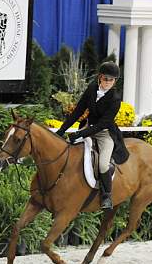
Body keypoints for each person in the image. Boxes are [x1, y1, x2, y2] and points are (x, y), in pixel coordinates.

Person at [55, 61, 129, 209]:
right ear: (100, 77)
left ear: (115, 81)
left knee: (102, 164)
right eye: (106, 78)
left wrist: (80, 134)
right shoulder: (91, 89)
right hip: (88, 127)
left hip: (104, 133)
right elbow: (78, 111)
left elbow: (103, 123)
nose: (108, 82)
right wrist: (62, 130)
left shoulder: (115, 99)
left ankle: (107, 195)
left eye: (111, 80)